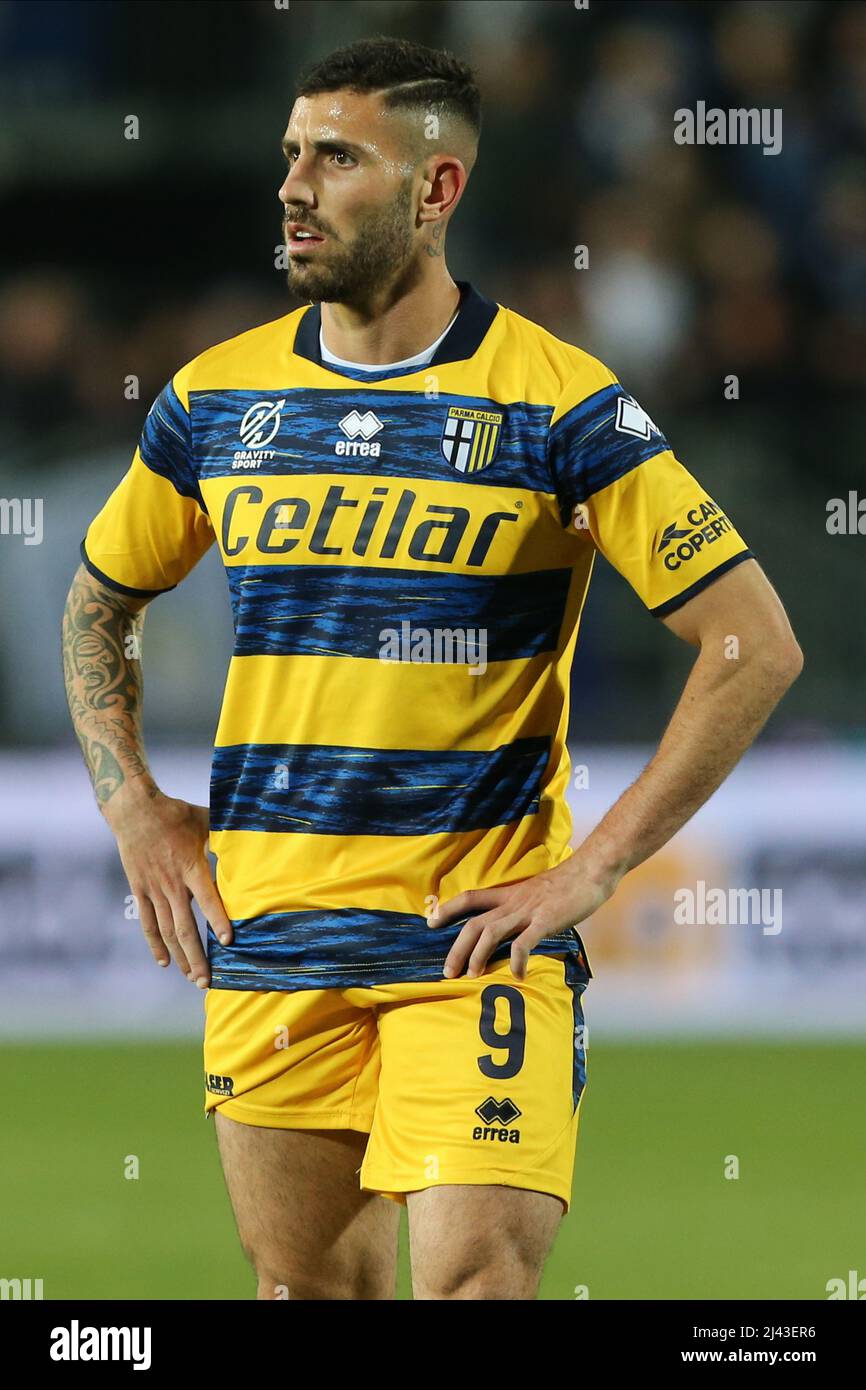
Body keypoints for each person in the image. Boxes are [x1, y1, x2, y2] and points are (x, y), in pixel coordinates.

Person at [61, 36, 802, 1301]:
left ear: (434, 188)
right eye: (290, 153)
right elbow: (98, 602)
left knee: (474, 1288)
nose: (293, 186)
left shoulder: (558, 406)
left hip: (470, 946)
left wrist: (594, 866)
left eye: (336, 158)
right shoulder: (212, 401)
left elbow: (750, 643)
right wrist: (130, 801)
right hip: (270, 938)